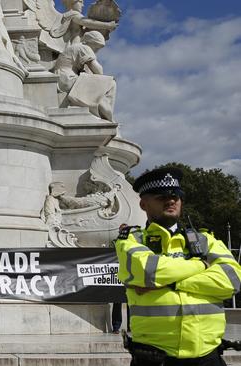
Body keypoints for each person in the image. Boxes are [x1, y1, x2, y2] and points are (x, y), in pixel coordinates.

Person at [115, 167, 241, 365]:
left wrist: (170, 283)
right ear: (143, 204)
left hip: (208, 357)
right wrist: (201, 265)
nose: (171, 200)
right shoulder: (131, 240)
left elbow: (232, 280)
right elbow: (149, 270)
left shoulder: (206, 239)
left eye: (176, 195)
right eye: (161, 196)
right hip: (154, 358)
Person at [53, 31, 117, 122]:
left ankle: (106, 113)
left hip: (64, 77)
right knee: (110, 83)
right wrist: (101, 82)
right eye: (97, 47)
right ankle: (107, 115)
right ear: (90, 42)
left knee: (101, 88)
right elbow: (98, 70)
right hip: (67, 78)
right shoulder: (84, 47)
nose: (97, 51)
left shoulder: (76, 47)